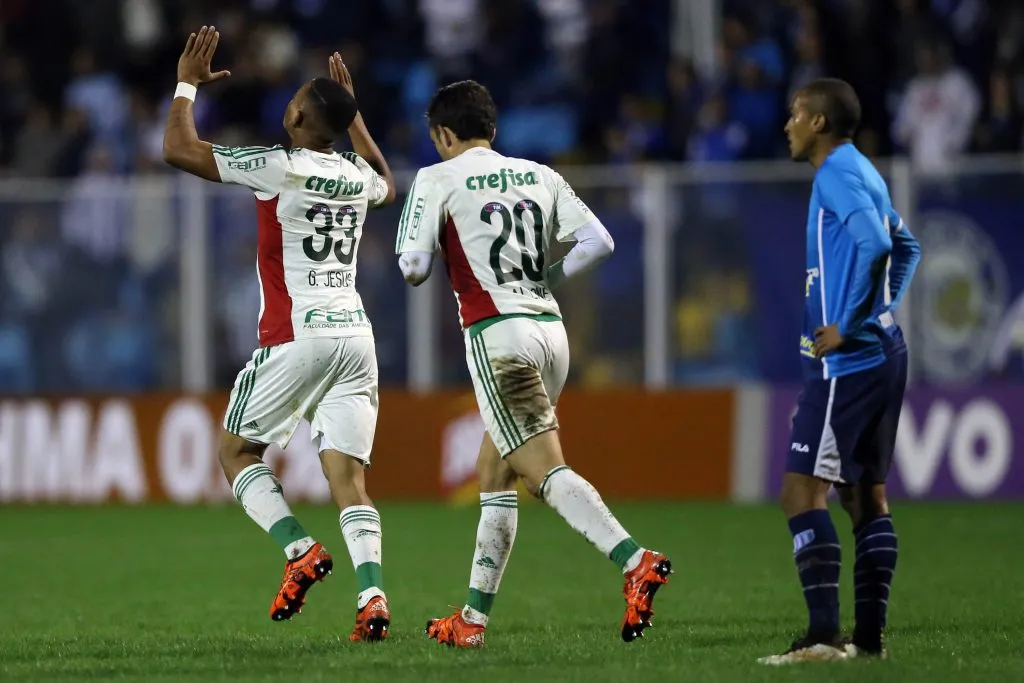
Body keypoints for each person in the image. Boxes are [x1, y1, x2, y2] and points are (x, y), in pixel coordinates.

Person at [395, 80, 672, 647]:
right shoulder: (540, 174)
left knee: (543, 470)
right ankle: (471, 622)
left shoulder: (436, 178)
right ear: (492, 129)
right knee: (495, 471)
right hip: (550, 333)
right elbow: (598, 242)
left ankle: (634, 559)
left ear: (442, 134)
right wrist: (547, 278)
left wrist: (425, 245)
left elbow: (414, 268)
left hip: (500, 338)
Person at [162, 27, 398, 642]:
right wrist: (354, 117)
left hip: (297, 334)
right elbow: (387, 182)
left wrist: (186, 84)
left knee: (236, 453)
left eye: (293, 99)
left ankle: (299, 550)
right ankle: (372, 596)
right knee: (349, 478)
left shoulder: (278, 166)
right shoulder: (354, 173)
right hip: (355, 336)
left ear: (295, 117)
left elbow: (178, 150)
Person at [760, 78, 921, 665]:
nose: (788, 125)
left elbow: (877, 244)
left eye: (796, 114)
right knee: (864, 496)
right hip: (885, 352)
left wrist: (851, 323)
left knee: (800, 491)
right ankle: (870, 643)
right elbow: (908, 246)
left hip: (846, 363)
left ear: (819, 123)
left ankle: (824, 637)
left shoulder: (835, 174)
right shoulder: (864, 171)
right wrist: (881, 310)